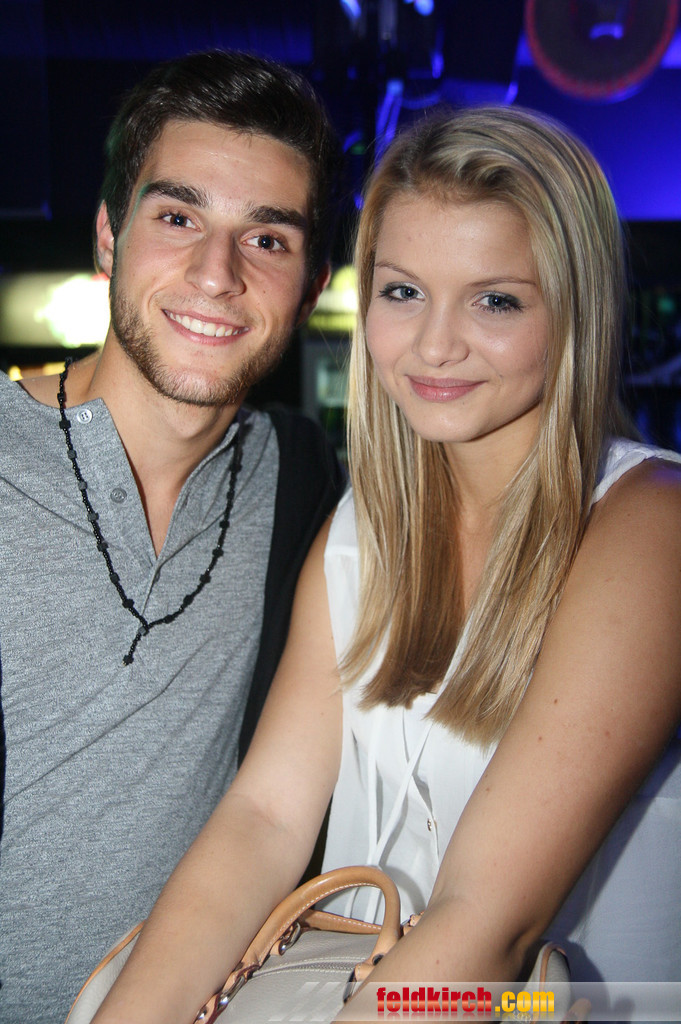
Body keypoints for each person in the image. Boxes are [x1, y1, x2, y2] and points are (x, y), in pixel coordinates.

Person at [88, 106, 681, 1024]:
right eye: (403, 291)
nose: (435, 344)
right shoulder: (361, 529)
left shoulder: (648, 524)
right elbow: (264, 819)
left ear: (575, 310)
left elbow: (488, 921)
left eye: (495, 300)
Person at [0, 50, 346, 1023]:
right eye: (178, 217)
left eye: (266, 238)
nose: (216, 274)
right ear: (109, 237)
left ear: (311, 285)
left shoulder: (301, 480)